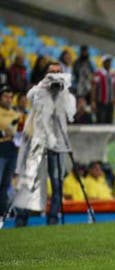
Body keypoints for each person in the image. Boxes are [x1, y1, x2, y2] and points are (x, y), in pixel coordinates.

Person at [13, 62, 76, 226]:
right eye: (51, 72)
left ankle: (53, 217)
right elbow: (29, 97)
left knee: (56, 182)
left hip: (58, 143)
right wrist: (44, 85)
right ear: (45, 75)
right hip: (39, 142)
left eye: (58, 72)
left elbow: (71, 111)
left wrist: (63, 90)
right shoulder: (38, 90)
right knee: (31, 180)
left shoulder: (66, 94)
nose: (55, 76)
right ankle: (22, 217)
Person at [0, 87, 20, 220]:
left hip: (12, 150)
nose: (8, 99)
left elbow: (20, 132)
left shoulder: (16, 114)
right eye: (6, 96)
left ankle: (2, 213)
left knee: (6, 184)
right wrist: (2, 133)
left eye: (10, 97)